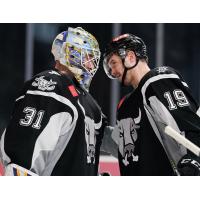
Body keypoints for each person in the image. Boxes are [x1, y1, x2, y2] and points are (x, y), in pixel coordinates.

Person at [0, 27, 106, 176]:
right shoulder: (50, 85)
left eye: (93, 59)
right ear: (69, 53)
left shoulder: (90, 103)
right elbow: (25, 153)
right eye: (87, 57)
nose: (91, 65)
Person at [102, 33, 200, 175]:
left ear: (130, 57)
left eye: (113, 63)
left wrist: (193, 162)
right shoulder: (125, 105)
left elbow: (191, 126)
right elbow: (126, 150)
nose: (112, 71)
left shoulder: (158, 80)